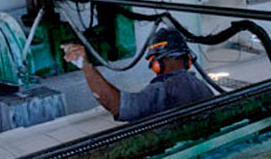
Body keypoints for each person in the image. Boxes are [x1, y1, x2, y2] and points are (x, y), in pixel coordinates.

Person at [63, 27, 214, 122]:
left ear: (157, 63)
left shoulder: (164, 89)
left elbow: (116, 104)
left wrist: (86, 66)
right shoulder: (203, 88)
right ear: (188, 60)